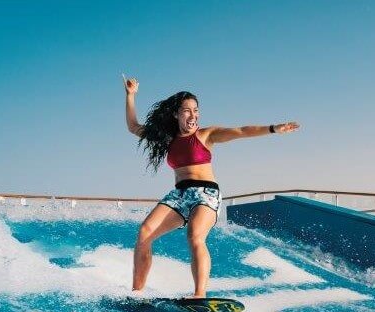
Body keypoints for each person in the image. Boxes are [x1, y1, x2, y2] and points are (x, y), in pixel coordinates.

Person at [123, 77, 299, 296]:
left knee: (195, 236)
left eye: (196, 110)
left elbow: (242, 131)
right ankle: (137, 294)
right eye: (187, 111)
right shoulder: (167, 139)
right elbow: (133, 127)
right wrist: (131, 95)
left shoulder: (206, 135)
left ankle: (199, 295)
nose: (193, 115)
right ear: (176, 114)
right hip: (179, 195)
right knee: (144, 234)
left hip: (206, 193)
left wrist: (273, 128)